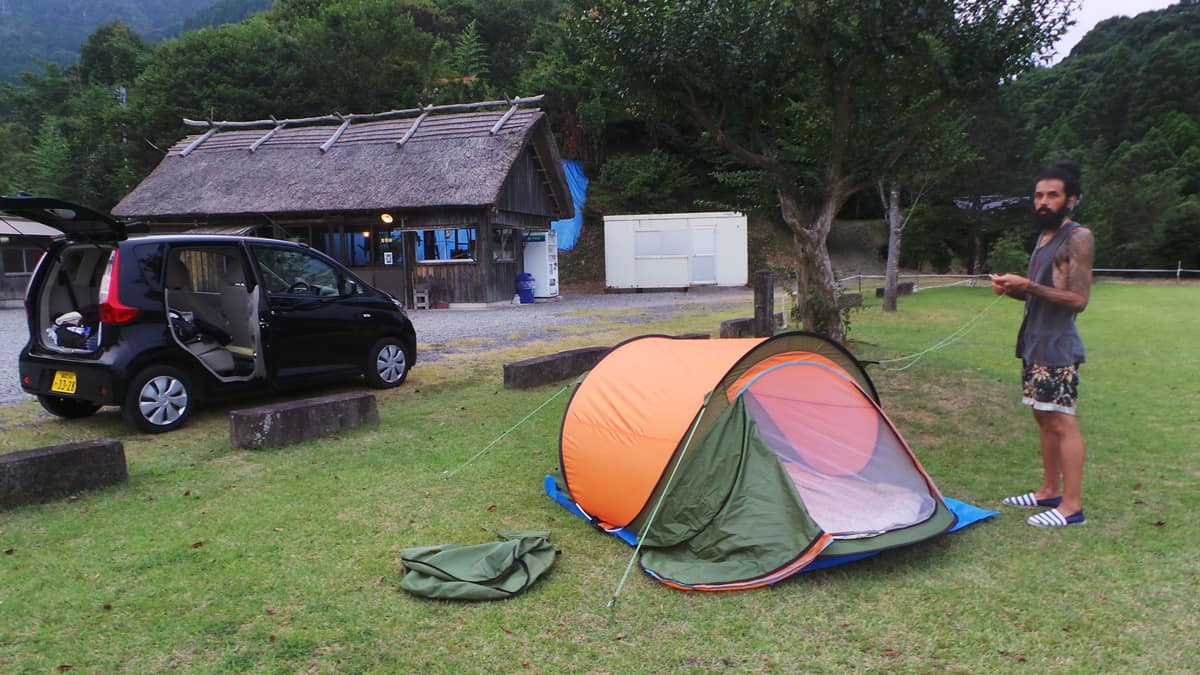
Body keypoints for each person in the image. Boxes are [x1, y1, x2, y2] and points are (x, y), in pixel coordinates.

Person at [990, 161, 1094, 528]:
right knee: (1043, 417)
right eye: (1038, 195)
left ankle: (1072, 508)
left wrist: (1028, 285)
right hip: (1034, 344)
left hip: (1058, 347)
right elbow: (1043, 296)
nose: (1043, 202)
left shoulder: (1077, 237)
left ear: (1072, 199)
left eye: (1053, 195)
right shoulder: (1044, 238)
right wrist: (1014, 290)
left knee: (1062, 421)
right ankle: (1048, 491)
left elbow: (1078, 299)